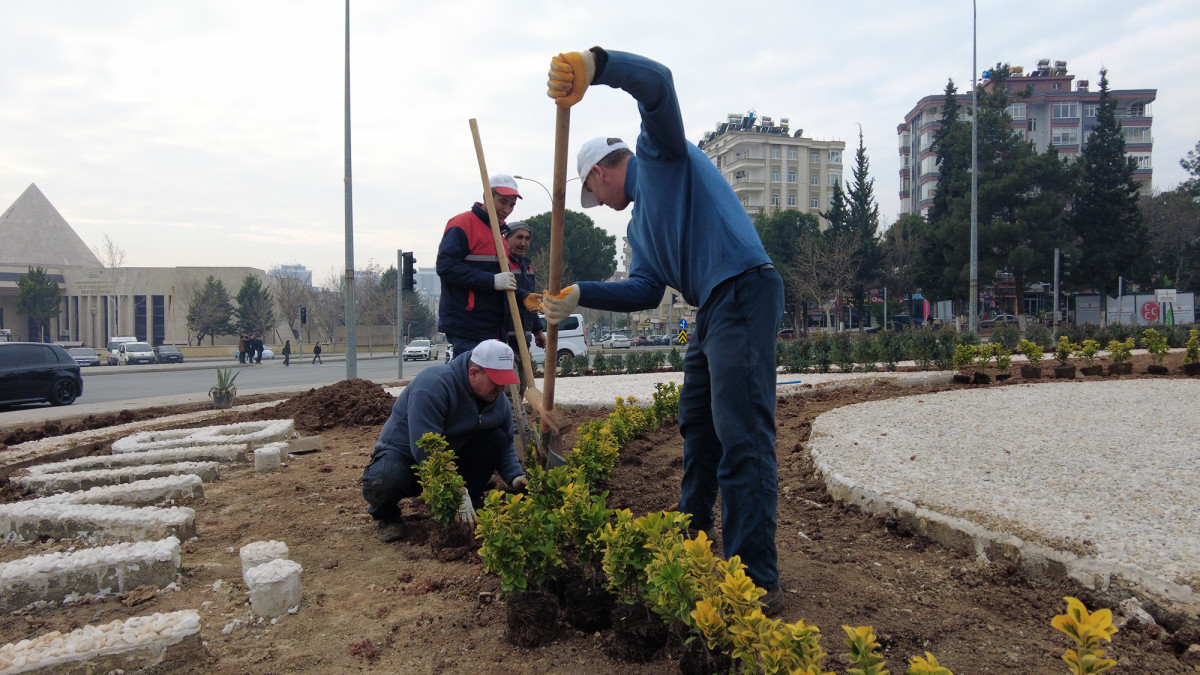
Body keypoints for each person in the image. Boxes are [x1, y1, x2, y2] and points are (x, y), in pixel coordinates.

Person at [543, 48, 786, 615]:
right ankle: (694, 540)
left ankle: (755, 579)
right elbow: (646, 290)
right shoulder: (641, 226)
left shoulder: (658, 156)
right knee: (698, 427)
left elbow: (658, 83)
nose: (597, 204)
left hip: (743, 288)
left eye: (592, 191)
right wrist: (582, 292)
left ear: (602, 169)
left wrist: (596, 65)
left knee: (742, 437)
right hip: (711, 306)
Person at [361, 339, 529, 542]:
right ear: (473, 373)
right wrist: (455, 488)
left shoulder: (497, 401)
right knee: (384, 480)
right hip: (405, 457)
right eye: (496, 381)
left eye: (505, 381)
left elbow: (505, 445)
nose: (502, 389)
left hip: (453, 454)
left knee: (495, 438)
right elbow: (426, 449)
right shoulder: (432, 386)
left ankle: (472, 496)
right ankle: (387, 516)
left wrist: (515, 477)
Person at [436, 174, 537, 357]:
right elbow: (446, 267)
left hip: (495, 325)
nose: (507, 209)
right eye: (502, 202)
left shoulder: (500, 233)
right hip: (467, 324)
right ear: (486, 197)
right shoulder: (462, 224)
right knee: (474, 381)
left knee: (492, 382)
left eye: (512, 205)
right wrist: (491, 281)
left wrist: (523, 297)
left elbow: (502, 280)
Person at [501, 221, 545, 392]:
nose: (523, 243)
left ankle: (516, 419)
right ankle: (510, 419)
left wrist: (538, 331)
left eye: (527, 238)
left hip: (523, 340)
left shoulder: (528, 267)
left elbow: (530, 302)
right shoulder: (502, 264)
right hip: (505, 339)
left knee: (523, 389)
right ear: (507, 239)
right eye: (519, 237)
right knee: (509, 391)